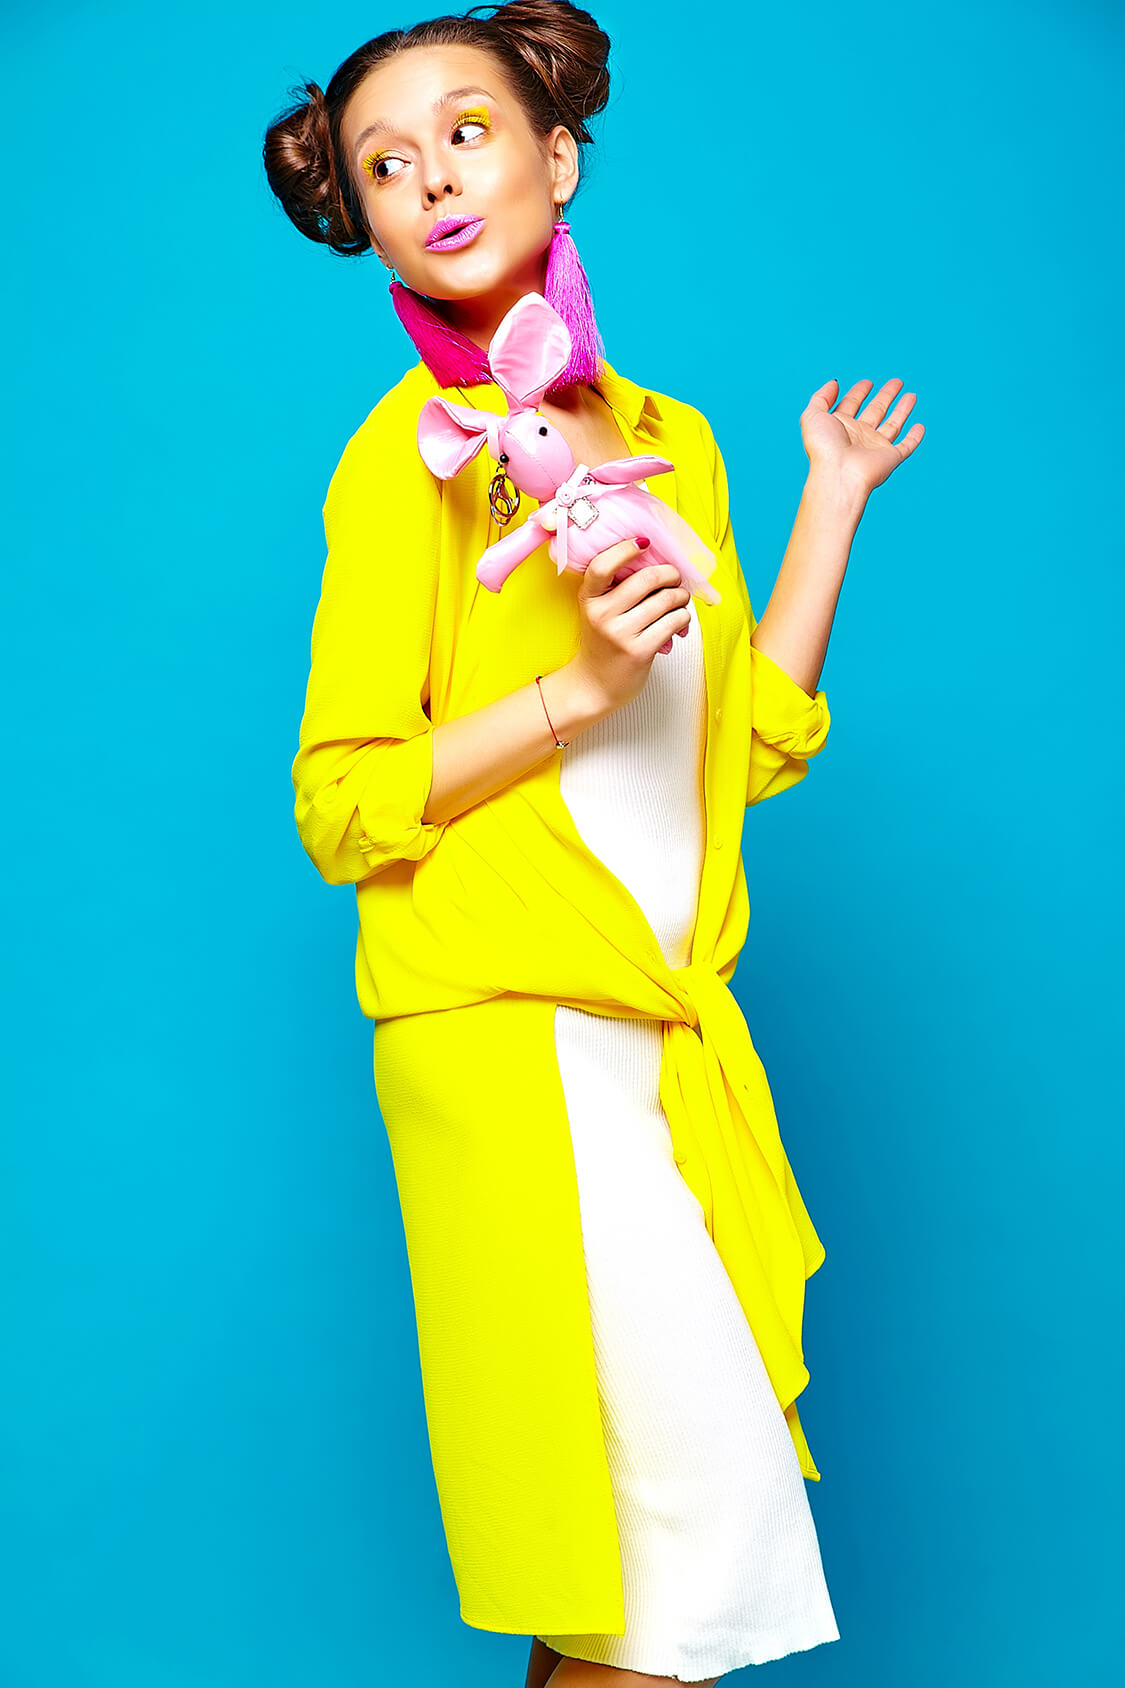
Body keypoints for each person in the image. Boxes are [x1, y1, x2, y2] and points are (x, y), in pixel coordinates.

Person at [263, 3, 924, 1683]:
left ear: (556, 155)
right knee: (660, 1567)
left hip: (646, 1041)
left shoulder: (674, 439)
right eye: (386, 165)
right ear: (369, 219)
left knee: (642, 1584)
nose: (431, 178)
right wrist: (575, 683)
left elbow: (742, 749)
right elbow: (343, 802)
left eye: (465, 132)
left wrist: (825, 504)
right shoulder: (399, 471)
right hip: (503, 1037)